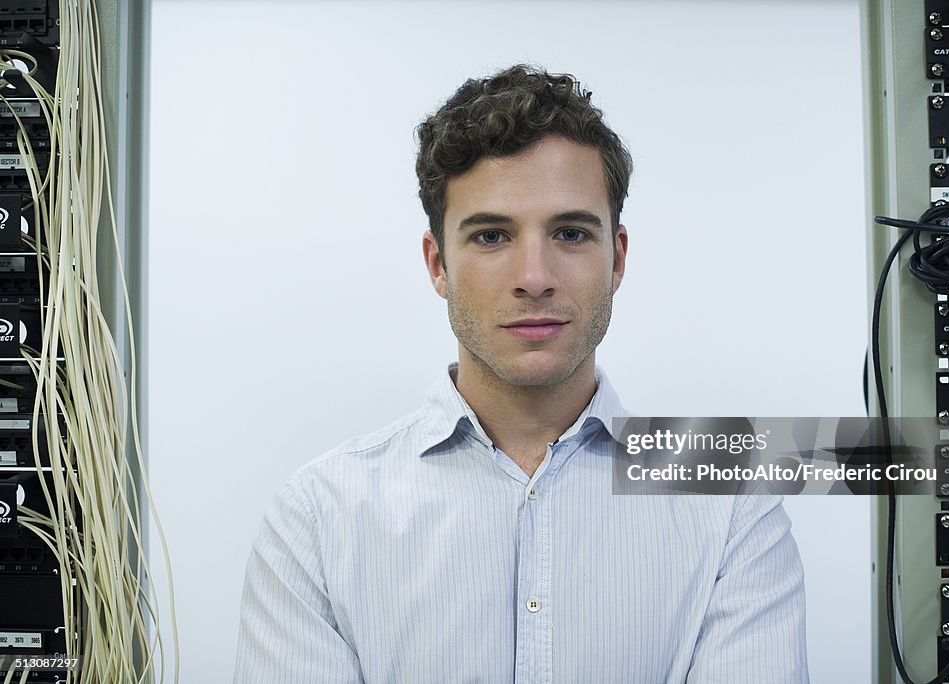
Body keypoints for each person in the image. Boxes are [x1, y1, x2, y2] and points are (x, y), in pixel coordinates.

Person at [233, 64, 808, 683]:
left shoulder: (731, 507)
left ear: (616, 259)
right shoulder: (319, 521)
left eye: (569, 232)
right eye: (490, 236)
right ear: (438, 264)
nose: (534, 275)